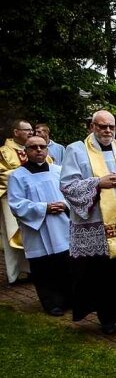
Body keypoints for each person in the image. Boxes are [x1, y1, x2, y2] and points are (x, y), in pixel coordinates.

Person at [60, 110, 116, 335]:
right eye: (102, 126)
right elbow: (67, 184)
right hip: (97, 225)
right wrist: (98, 183)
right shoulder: (76, 150)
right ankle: (108, 319)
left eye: (111, 127)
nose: (107, 131)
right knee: (103, 276)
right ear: (92, 127)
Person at [7, 135, 71, 315]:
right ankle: (51, 303)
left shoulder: (59, 171)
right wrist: (44, 208)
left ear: (47, 149)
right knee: (44, 269)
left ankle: (68, 299)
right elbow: (16, 204)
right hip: (37, 229)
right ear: (26, 151)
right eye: (33, 147)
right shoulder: (17, 176)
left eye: (42, 147)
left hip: (61, 226)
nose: (38, 150)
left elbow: (70, 194)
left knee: (65, 264)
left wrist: (64, 205)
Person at [0, 120, 35, 283]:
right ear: (15, 132)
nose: (31, 133)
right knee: (13, 237)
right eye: (27, 130)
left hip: (35, 199)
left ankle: (31, 271)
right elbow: (3, 175)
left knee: (33, 234)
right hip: (10, 199)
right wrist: (27, 176)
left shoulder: (35, 148)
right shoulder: (3, 152)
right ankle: (13, 275)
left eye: (31, 130)